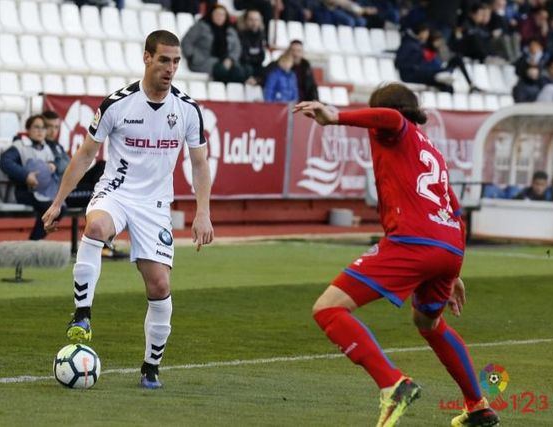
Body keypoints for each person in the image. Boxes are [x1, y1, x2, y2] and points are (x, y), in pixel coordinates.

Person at [293, 83, 500, 427]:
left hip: (414, 241)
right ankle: (478, 405)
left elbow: (390, 117)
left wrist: (336, 116)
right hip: (447, 245)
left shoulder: (393, 129)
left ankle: (393, 384)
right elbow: (453, 209)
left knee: (328, 308)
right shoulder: (430, 149)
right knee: (428, 323)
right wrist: (453, 268)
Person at [42, 30, 214, 389]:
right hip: (116, 192)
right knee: (95, 229)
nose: (171, 68)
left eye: (176, 61)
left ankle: (151, 367)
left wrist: (202, 212)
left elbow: (199, 164)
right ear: (147, 58)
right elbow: (86, 155)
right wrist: (58, 202)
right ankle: (83, 314)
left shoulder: (187, 109)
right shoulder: (116, 104)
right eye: (164, 59)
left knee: (159, 284)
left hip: (154, 204)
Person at [0, 115, 62, 241]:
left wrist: (53, 165)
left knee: (60, 208)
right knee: (50, 208)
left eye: (43, 128)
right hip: (23, 191)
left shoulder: (47, 147)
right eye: (36, 127)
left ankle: (35, 241)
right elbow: (5, 162)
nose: (40, 131)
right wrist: (26, 175)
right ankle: (34, 242)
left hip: (44, 192)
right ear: (28, 129)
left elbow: (57, 162)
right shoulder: (19, 145)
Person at [181, 4, 247, 83]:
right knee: (223, 71)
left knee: (239, 72)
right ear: (211, 15)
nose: (220, 17)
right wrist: (192, 56)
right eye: (217, 14)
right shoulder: (200, 26)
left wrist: (231, 59)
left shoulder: (230, 30)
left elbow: (237, 48)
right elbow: (186, 42)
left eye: (222, 15)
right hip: (202, 62)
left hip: (226, 62)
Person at [238, 9, 268, 84]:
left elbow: (262, 56)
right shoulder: (239, 35)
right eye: (251, 19)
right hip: (244, 67)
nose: (254, 22)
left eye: (256, 20)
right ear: (245, 21)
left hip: (257, 66)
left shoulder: (262, 36)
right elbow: (243, 56)